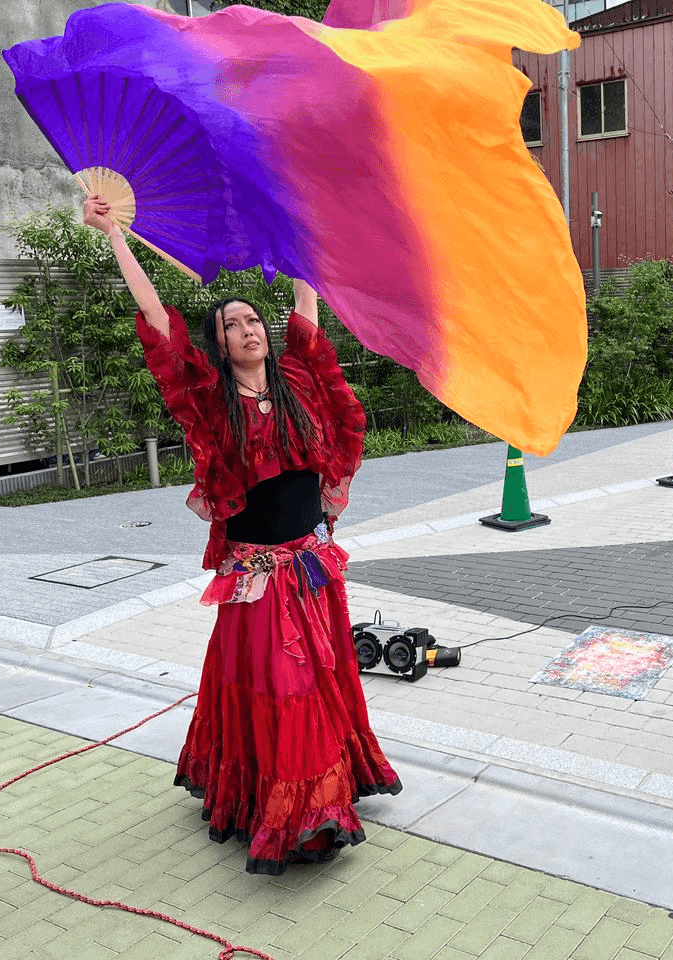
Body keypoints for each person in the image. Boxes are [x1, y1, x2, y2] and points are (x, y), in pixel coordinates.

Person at [82, 195, 402, 874]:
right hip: (257, 579)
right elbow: (157, 322)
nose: (250, 328)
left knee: (322, 684)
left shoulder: (298, 379)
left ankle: (332, 788)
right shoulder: (207, 395)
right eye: (232, 324)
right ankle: (295, 810)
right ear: (218, 343)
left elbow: (307, 308)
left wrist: (299, 239)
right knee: (279, 690)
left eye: (255, 319)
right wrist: (116, 236)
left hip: (312, 567)